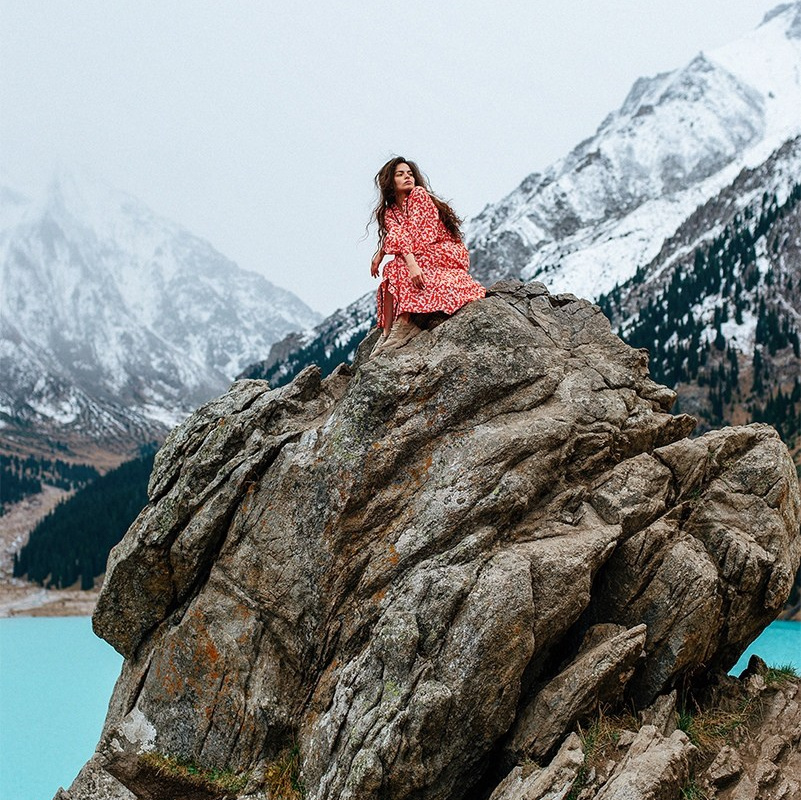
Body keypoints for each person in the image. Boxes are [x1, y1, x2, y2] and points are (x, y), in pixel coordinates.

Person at [370, 157, 485, 352]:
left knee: (399, 262)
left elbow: (416, 235)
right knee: (392, 267)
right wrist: (387, 254)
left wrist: (385, 254)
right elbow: (399, 235)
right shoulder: (389, 212)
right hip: (418, 252)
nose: (407, 176)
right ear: (390, 181)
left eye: (410, 173)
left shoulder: (419, 195)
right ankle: (387, 333)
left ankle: (404, 321)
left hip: (444, 251)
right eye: (400, 174)